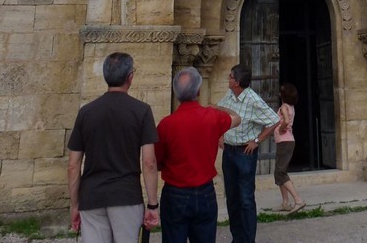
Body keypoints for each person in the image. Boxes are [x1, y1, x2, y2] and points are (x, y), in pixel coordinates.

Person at [67, 52, 159, 243]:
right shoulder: (141, 111)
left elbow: (73, 165)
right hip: (126, 195)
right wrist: (152, 204)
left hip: (92, 196)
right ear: (130, 77)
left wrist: (74, 205)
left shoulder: (86, 112)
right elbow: (149, 162)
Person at [155, 66, 242, 243]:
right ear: (199, 91)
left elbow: (158, 161)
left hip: (175, 192)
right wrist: (217, 107)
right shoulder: (212, 116)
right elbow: (237, 118)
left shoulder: (166, 125)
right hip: (204, 191)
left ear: (176, 94)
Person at [217, 64, 280, 243]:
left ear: (237, 82)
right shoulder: (230, 95)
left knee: (245, 199)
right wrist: (220, 134)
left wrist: (257, 141)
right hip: (229, 151)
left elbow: (274, 120)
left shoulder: (253, 100)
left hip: (244, 153)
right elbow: (220, 111)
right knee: (232, 198)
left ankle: (248, 240)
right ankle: (237, 238)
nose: (228, 79)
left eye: (230, 77)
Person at [273, 82, 305, 214]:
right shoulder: (291, 107)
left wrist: (280, 129)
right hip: (287, 141)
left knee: (280, 172)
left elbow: (285, 121)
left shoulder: (284, 107)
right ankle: (285, 203)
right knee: (280, 172)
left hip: (284, 141)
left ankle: (298, 200)